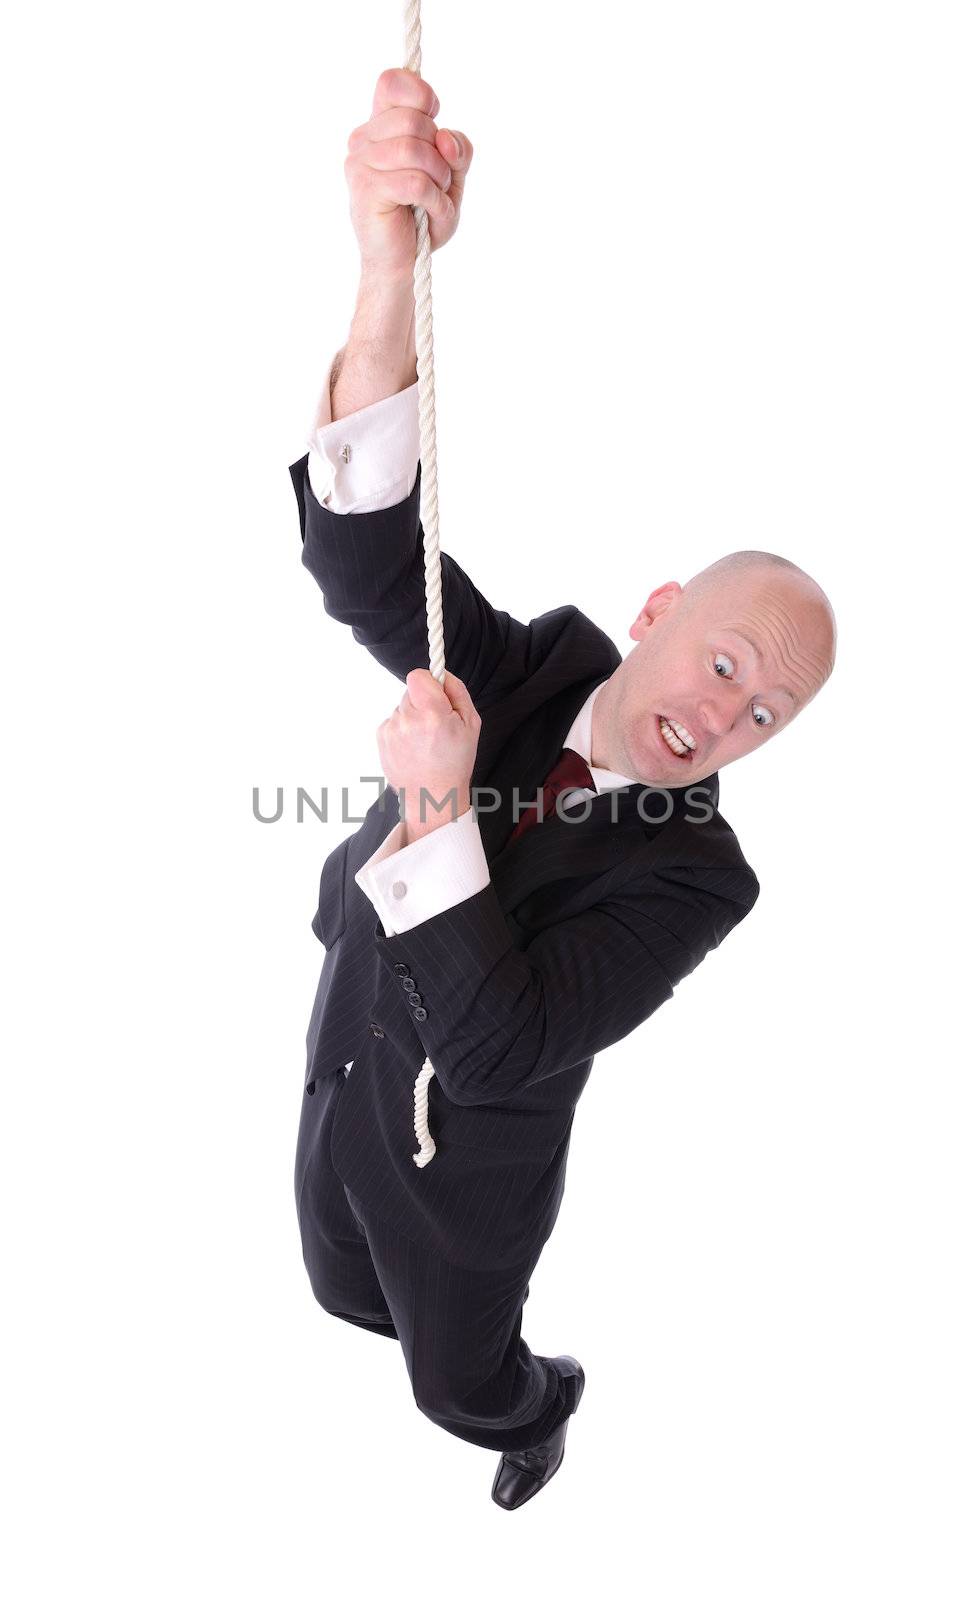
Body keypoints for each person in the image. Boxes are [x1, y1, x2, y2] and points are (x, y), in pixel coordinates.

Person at [289, 67, 837, 1511]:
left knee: (450, 1376)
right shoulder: (536, 669)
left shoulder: (699, 877)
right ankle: (366, 1297)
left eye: (762, 713)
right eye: (723, 663)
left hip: (469, 1172)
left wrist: (431, 809)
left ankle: (540, 1408)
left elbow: (493, 1049)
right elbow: (364, 561)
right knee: (337, 1282)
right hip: (350, 1047)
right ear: (657, 609)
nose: (725, 716)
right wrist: (383, 273)